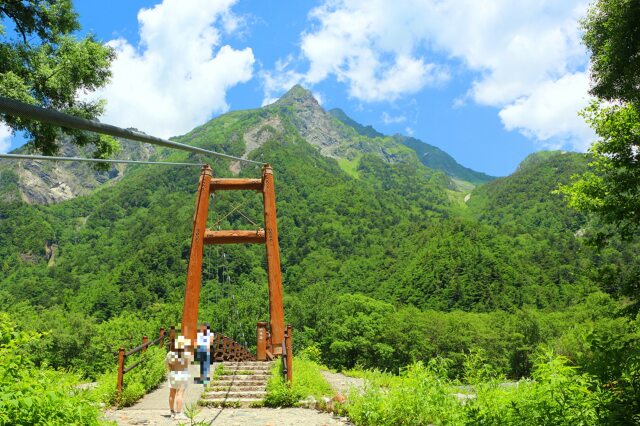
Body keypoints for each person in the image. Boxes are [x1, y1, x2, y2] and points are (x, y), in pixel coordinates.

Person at [166, 335, 192, 420]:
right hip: (182, 375)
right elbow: (187, 364)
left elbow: (168, 365)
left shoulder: (170, 354)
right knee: (180, 394)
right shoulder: (186, 354)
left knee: (172, 393)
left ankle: (172, 412)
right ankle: (179, 413)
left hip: (173, 374)